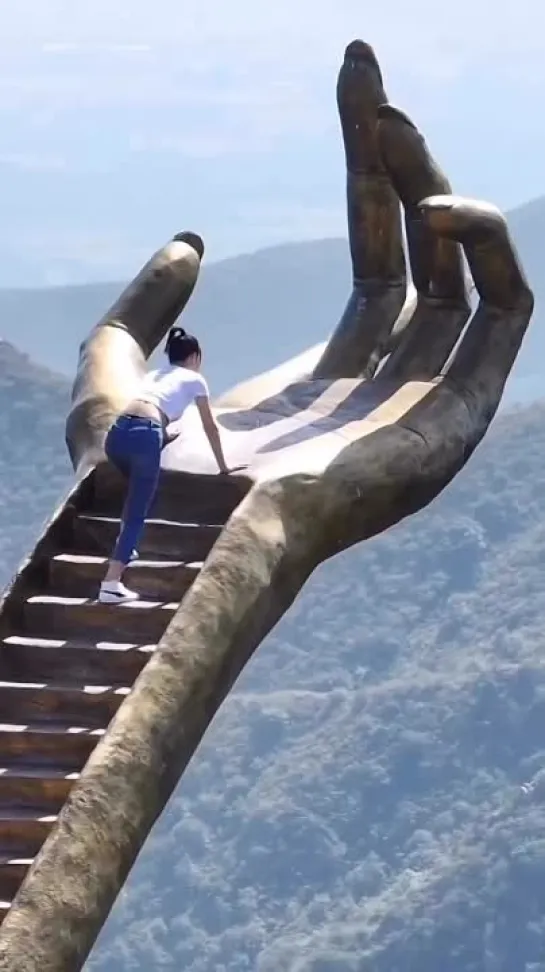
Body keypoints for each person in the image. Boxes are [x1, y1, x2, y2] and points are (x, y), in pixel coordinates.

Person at [98, 326, 234, 604]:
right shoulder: (195, 379)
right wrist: (224, 466)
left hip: (116, 435)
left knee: (135, 494)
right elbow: (210, 427)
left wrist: (162, 434)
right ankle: (110, 584)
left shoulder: (153, 375)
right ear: (195, 356)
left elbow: (149, 410)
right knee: (138, 510)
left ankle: (127, 547)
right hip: (145, 437)